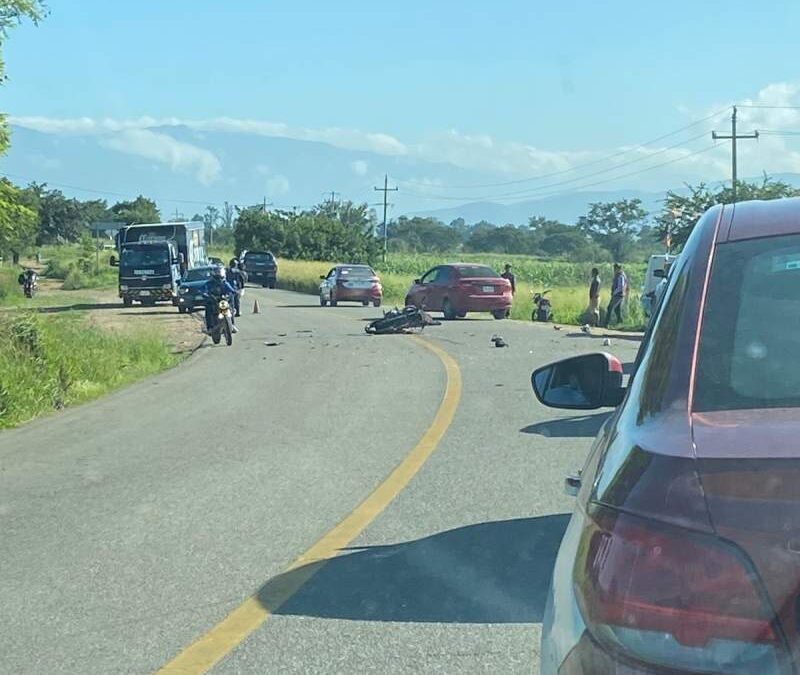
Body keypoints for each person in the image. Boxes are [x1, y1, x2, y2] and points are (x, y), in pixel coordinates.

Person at [201, 264, 239, 334]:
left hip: (223, 299)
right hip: (213, 300)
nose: (219, 275)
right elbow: (204, 290)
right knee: (208, 308)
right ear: (213, 274)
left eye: (220, 272)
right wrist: (205, 294)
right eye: (217, 272)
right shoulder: (209, 283)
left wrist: (235, 292)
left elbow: (231, 289)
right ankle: (209, 327)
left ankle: (232, 324)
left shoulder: (225, 283)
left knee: (230, 307)